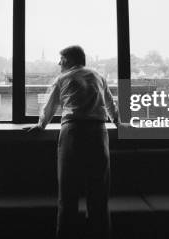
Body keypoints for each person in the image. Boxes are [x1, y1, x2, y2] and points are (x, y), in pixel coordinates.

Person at [26, 45, 120, 239]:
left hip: (73, 132)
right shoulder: (98, 77)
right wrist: (118, 123)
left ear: (68, 60)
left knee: (68, 192)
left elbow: (50, 106)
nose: (59, 63)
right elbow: (110, 103)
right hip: (98, 132)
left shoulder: (62, 79)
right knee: (99, 193)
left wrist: (41, 125)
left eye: (61, 59)